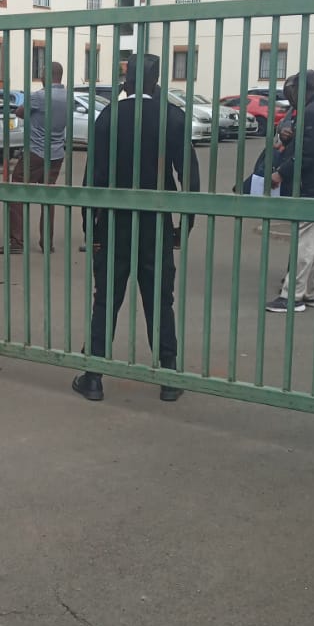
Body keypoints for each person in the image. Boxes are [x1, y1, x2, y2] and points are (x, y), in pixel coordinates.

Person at [73, 53, 200, 404]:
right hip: (155, 222)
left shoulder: (108, 117)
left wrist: (90, 227)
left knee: (106, 298)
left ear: (126, 81)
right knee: (160, 300)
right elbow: (189, 177)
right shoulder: (171, 117)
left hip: (114, 222)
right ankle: (169, 375)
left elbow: (93, 178)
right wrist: (184, 225)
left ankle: (94, 376)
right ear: (156, 82)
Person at [266, 70, 314, 313]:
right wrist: (290, 139)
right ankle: (311, 293)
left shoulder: (312, 111)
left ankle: (293, 296)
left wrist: (281, 173)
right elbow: (310, 145)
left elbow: (308, 153)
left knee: (305, 245)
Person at [0, 61, 67, 254]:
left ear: (45, 76)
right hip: (57, 154)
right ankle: (47, 242)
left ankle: (17, 241)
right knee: (48, 195)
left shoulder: (40, 96)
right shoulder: (68, 97)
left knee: (17, 189)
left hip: (36, 152)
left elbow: (19, 112)